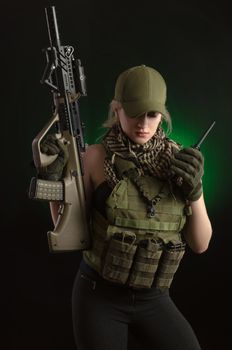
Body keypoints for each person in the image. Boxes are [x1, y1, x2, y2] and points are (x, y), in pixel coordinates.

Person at [40, 65, 212, 350]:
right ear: (116, 109)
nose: (143, 124)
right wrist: (54, 181)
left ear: (163, 114)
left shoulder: (181, 161)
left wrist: (195, 191)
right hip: (99, 297)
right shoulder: (96, 157)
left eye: (152, 114)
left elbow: (201, 243)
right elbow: (67, 228)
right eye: (133, 112)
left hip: (154, 298)